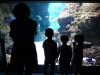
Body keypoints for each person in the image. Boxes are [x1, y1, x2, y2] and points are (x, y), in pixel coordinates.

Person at [9, 3, 38, 75]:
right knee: (29, 69)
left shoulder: (13, 23)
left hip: (18, 47)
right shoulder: (33, 23)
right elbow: (34, 34)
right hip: (29, 47)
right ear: (27, 11)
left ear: (15, 12)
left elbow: (13, 35)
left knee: (19, 69)